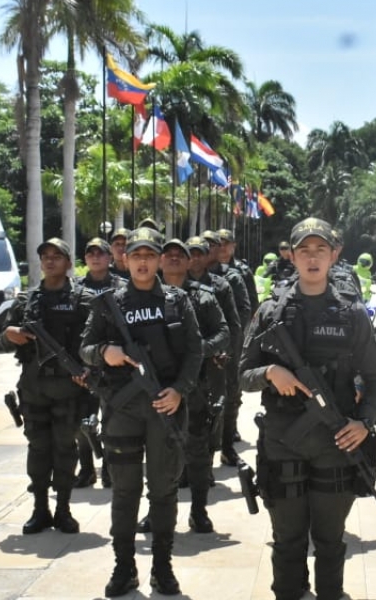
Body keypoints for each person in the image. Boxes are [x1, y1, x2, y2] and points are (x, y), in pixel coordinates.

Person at [239, 218, 376, 600]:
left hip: (336, 442)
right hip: (283, 441)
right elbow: (243, 374)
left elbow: (375, 378)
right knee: (287, 540)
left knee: (329, 540)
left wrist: (364, 423)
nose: (313, 257)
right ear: (291, 255)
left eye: (321, 249)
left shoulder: (352, 313)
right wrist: (271, 372)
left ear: (335, 255)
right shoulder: (270, 312)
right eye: (304, 250)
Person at [79, 227, 204, 597]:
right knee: (125, 492)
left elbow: (195, 353)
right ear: (126, 259)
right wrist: (105, 353)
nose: (144, 262)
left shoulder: (177, 301)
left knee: (163, 491)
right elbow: (84, 348)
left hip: (165, 407)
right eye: (137, 255)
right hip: (122, 410)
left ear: (160, 259)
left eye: (150, 255)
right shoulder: (108, 303)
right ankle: (124, 567)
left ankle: (162, 568)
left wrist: (179, 391)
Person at [0, 238, 94, 536]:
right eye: (45, 256)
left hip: (68, 387)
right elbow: (4, 336)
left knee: (64, 450)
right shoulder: (26, 299)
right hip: (34, 387)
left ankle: (63, 509)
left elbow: (95, 341)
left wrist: (88, 369)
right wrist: (9, 334)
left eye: (57, 256)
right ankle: (40, 508)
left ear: (69, 262)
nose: (50, 261)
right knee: (39, 449)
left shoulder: (84, 299)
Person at [159, 238, 230, 533]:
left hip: (195, 387)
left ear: (191, 262)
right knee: (159, 454)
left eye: (181, 255)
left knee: (198, 453)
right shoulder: (145, 296)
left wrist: (200, 349)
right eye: (169, 254)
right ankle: (157, 512)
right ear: (160, 261)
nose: (174, 258)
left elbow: (224, 333)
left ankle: (199, 511)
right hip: (156, 388)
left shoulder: (203, 297)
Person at [73, 237, 128, 489]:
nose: (95, 257)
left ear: (109, 258)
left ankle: (108, 468)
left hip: (112, 365)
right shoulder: (75, 289)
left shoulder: (122, 287)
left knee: (111, 421)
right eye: (90, 253)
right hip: (84, 363)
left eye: (101, 253)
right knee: (83, 422)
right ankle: (86, 469)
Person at [203, 230, 253, 467]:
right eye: (210, 244)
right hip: (201, 349)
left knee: (230, 395)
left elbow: (244, 311)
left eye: (218, 244)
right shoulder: (188, 276)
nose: (216, 248)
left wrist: (232, 345)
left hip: (228, 348)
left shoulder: (232, 277)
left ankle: (226, 444)